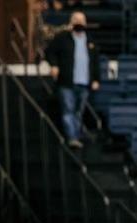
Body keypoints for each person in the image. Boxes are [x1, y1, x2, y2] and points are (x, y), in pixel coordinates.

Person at [45, 11, 100, 148]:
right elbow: (50, 52)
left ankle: (77, 134)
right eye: (76, 19)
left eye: (81, 20)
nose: (79, 22)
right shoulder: (62, 38)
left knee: (79, 112)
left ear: (85, 23)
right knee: (68, 110)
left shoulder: (91, 41)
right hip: (67, 82)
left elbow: (95, 62)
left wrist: (95, 79)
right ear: (71, 22)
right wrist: (54, 65)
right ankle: (72, 137)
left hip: (84, 82)